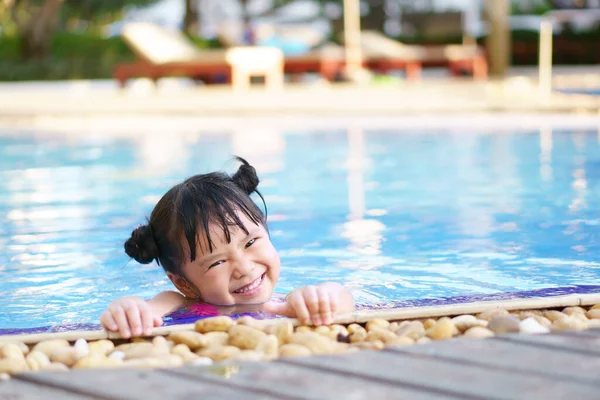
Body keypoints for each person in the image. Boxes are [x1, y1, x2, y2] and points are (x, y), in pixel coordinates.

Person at [100, 157, 355, 338]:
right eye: (217, 262)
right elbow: (147, 308)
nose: (244, 268)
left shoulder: (287, 302)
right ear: (184, 283)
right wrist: (128, 309)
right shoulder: (180, 302)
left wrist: (320, 298)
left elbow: (342, 297)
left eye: (251, 242)